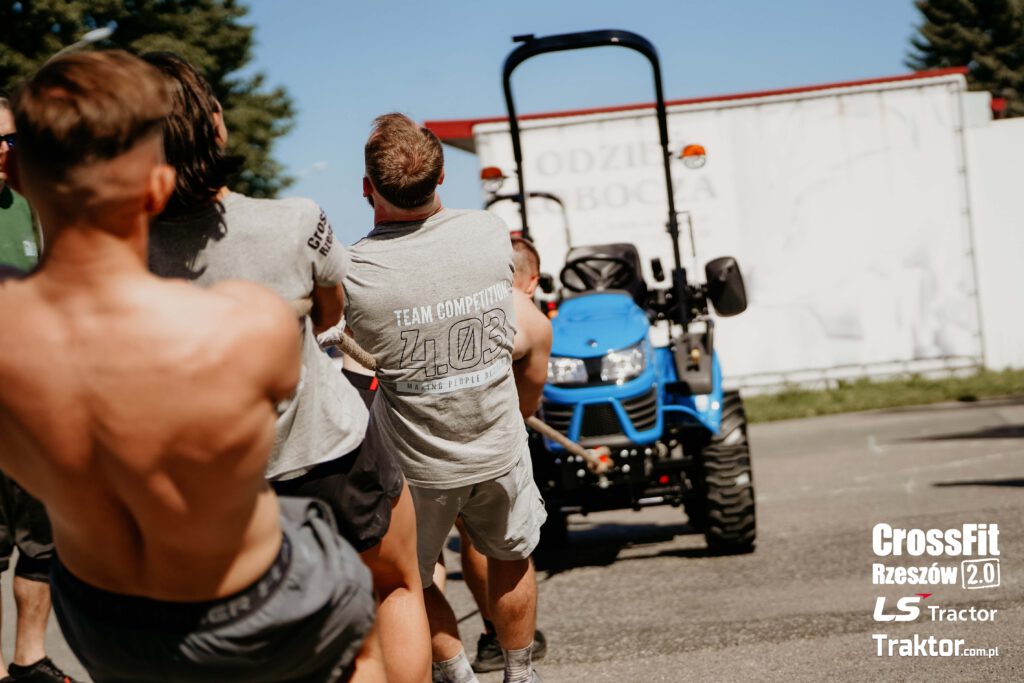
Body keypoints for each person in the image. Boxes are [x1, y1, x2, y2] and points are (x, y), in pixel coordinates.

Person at [0, 50, 376, 682]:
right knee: (372, 611)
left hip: (102, 621)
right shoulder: (245, 322)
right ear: (156, 186)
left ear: (19, 180)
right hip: (254, 610)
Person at [144, 53, 430, 683]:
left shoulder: (124, 250)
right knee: (394, 588)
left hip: (220, 484)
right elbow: (332, 312)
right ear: (215, 125)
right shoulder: (297, 221)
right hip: (328, 451)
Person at [345, 113, 547, 683]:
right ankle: (519, 671)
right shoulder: (489, 232)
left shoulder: (354, 270)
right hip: (497, 446)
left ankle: (455, 673)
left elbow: (347, 343)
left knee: (412, 575)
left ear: (367, 189)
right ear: (439, 182)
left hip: (417, 466)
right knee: (510, 555)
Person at [0, 95, 82, 683]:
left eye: (13, 140)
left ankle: (28, 660)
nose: (8, 151)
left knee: (42, 542)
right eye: (1, 140)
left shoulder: (29, 205)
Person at [453, 236, 552, 674]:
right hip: (490, 445)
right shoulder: (529, 316)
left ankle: (440, 662)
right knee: (496, 541)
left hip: (421, 441)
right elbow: (525, 408)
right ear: (531, 280)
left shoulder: (458, 299)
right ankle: (504, 645)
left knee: (420, 562)